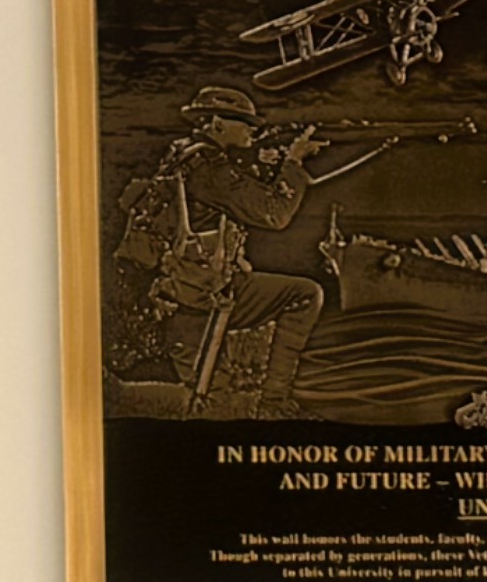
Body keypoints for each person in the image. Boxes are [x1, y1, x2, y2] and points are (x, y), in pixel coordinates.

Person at [113, 84, 330, 412]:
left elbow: (229, 191)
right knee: (215, 407)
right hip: (193, 304)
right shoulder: (209, 170)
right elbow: (274, 213)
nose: (252, 131)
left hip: (208, 287)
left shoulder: (186, 154)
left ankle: (275, 400)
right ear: (217, 124)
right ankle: (117, 396)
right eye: (244, 124)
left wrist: (262, 161)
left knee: (304, 294)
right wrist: (294, 163)